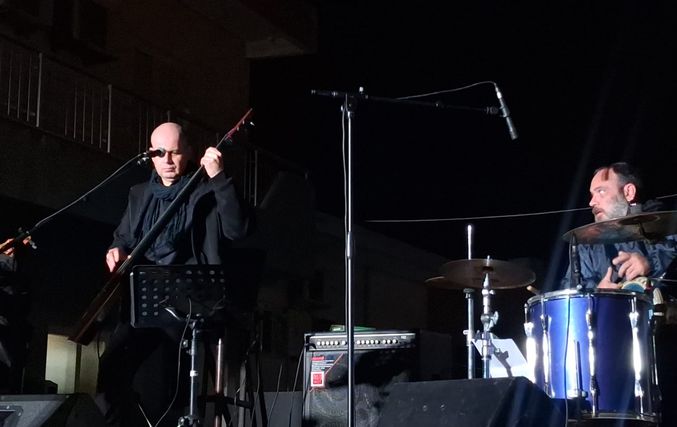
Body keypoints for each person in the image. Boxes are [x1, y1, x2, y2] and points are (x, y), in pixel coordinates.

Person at [97, 122, 250, 427]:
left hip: (189, 303)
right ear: (150, 155)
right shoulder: (139, 194)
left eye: (175, 153)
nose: (167, 160)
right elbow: (123, 238)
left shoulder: (207, 190)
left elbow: (238, 229)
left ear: (189, 152)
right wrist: (116, 251)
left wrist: (219, 178)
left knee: (165, 378)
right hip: (144, 301)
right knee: (111, 370)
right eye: (159, 153)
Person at [561, 162, 677, 290]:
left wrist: (651, 263)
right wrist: (597, 292)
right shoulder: (588, 243)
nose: (592, 202)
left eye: (601, 191)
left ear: (629, 192)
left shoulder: (665, 225)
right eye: (592, 195)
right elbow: (570, 288)